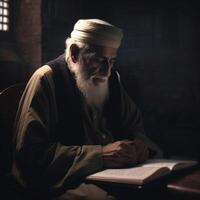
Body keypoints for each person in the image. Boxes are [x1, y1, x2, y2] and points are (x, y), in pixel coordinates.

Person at [12, 19, 162, 200]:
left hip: (115, 175)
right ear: (75, 52)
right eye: (99, 60)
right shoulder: (46, 80)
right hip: (63, 182)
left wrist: (140, 146)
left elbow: (135, 127)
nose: (107, 71)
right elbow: (31, 156)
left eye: (111, 61)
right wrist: (99, 156)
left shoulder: (112, 80)